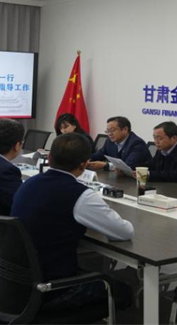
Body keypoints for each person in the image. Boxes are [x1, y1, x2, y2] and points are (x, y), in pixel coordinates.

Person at [12, 133, 133, 312]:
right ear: (84, 164)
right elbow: (124, 232)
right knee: (123, 291)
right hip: (53, 288)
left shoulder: (28, 184)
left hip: (16, 280)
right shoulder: (80, 195)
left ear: (49, 158)